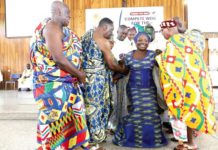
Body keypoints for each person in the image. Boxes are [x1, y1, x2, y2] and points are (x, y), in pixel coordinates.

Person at [30, 1, 90, 149]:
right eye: (67, 13)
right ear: (57, 13)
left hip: (67, 83)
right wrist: (79, 74)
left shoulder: (60, 29)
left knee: (69, 117)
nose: (70, 16)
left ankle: (68, 144)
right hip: (53, 85)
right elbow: (58, 59)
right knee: (54, 118)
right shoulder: (51, 28)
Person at [156, 18, 217, 150]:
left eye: (162, 31)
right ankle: (191, 143)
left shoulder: (172, 44)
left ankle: (182, 144)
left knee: (179, 112)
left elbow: (170, 67)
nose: (162, 34)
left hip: (182, 86)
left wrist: (158, 58)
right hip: (196, 85)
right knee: (191, 113)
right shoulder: (189, 41)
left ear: (168, 30)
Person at [113, 29, 168, 148]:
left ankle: (153, 140)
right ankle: (133, 140)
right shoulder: (128, 56)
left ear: (149, 42)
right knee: (136, 110)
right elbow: (125, 70)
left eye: (145, 40)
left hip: (150, 89)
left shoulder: (153, 55)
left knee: (152, 112)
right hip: (133, 89)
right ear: (135, 41)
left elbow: (164, 68)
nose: (143, 42)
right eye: (140, 40)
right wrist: (115, 77)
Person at [81, 17, 125, 146]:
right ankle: (97, 138)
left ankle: (88, 135)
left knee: (88, 107)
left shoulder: (87, 34)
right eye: (111, 30)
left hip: (85, 79)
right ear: (104, 27)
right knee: (100, 107)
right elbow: (112, 65)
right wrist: (123, 70)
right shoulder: (102, 41)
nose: (111, 33)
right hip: (98, 82)